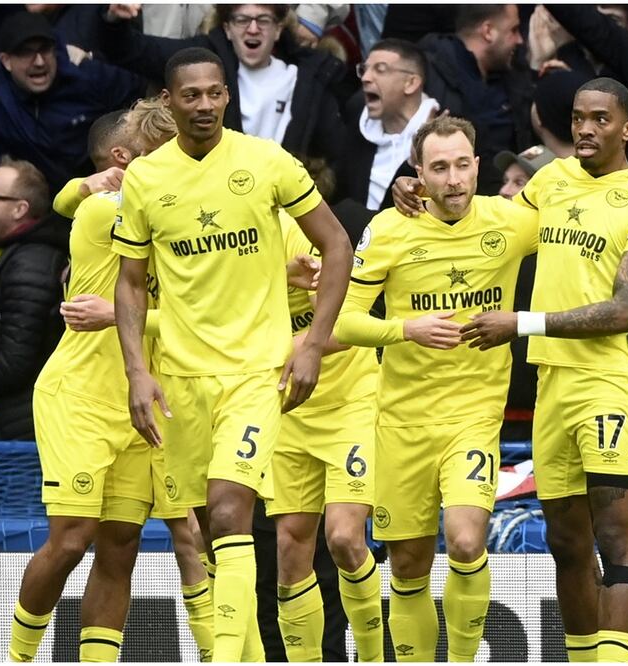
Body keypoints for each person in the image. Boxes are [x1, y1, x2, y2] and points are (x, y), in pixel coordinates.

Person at [111, 47, 352, 662]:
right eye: (190, 95)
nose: (204, 105)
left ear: (227, 96)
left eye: (214, 93)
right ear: (170, 101)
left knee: (227, 510)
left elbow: (337, 244)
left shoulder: (266, 161)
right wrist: (138, 371)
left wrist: (314, 344)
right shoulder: (146, 179)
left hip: (256, 374)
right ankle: (245, 654)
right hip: (183, 379)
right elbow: (131, 281)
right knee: (205, 528)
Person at [461, 77, 628, 662]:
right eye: (579, 117)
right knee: (566, 542)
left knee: (614, 537)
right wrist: (422, 194)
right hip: (554, 381)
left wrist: (521, 323)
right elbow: (493, 229)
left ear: (627, 129)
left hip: (610, 379)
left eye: (601, 119)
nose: (586, 129)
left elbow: (624, 309)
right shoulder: (551, 179)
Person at [7, 99, 215, 662]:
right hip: (79, 397)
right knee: (72, 539)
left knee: (121, 546)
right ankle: (18, 657)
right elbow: (70, 200)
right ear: (134, 163)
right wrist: (81, 186)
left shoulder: (192, 223)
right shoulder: (106, 212)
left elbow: (200, 313)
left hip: (143, 404)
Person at [334, 115, 538, 662]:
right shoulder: (389, 230)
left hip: (472, 416)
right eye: (440, 167)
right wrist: (406, 329)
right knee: (407, 567)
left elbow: (580, 206)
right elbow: (342, 322)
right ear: (417, 173)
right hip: (400, 421)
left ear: (477, 165)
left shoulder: (511, 222)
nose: (454, 179)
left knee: (468, 540)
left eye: (463, 165)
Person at [264, 212, 384, 662]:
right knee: (291, 548)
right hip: (289, 409)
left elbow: (348, 327)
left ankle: (372, 657)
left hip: (348, 400)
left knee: (344, 537)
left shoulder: (301, 235)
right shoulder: (223, 244)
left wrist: (271, 351)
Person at [99, 3, 347, 164]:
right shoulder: (204, 58)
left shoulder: (311, 75)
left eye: (263, 20)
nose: (252, 29)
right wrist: (114, 22)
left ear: (279, 29)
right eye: (242, 20)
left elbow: (336, 153)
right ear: (227, 28)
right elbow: (135, 51)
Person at [0, 10, 143, 196]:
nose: (39, 62)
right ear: (6, 61)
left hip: (85, 193)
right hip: (13, 202)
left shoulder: (86, 76)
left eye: (44, 49)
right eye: (26, 52)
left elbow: (141, 94)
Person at [0, 159, 67, 442]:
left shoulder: (31, 265)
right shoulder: (2, 251)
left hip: (17, 429)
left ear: (20, 209)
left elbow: (15, 365)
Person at [418, 5, 533, 195]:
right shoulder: (429, 77)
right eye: (513, 30)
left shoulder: (510, 76)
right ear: (488, 31)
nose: (519, 40)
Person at [337, 38, 438, 210]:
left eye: (380, 70)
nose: (366, 78)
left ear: (411, 83)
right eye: (364, 70)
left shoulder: (447, 135)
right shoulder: (355, 130)